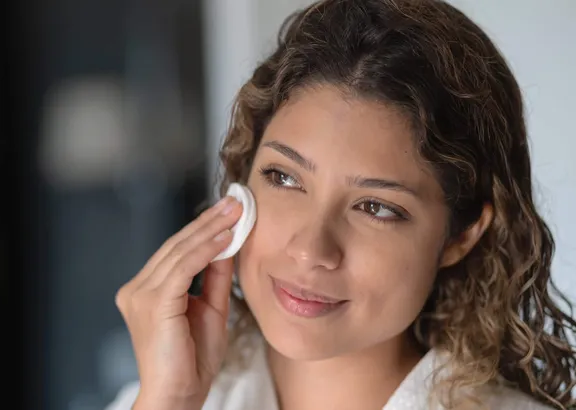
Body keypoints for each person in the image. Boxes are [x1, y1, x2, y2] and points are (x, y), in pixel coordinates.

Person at [107, 0, 576, 409]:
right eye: (284, 177)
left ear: (461, 234)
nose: (311, 250)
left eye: (376, 207)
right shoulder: (153, 401)